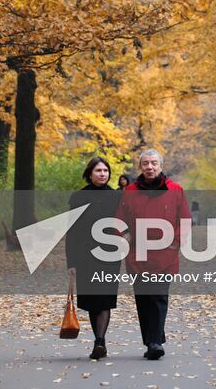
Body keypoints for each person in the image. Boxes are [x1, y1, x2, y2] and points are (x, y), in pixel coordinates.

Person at [117, 149, 191, 361]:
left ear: (160, 166)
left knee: (158, 296)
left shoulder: (175, 190)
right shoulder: (130, 191)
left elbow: (185, 220)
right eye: (146, 163)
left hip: (164, 255)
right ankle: (152, 340)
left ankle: (155, 342)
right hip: (137, 255)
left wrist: (176, 242)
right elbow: (119, 220)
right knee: (143, 298)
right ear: (141, 167)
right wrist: (124, 236)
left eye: (154, 163)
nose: (150, 167)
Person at [65, 156, 121, 360]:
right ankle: (99, 340)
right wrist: (71, 262)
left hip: (110, 255)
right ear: (90, 174)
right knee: (91, 300)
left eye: (105, 171)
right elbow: (71, 231)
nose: (102, 174)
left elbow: (124, 223)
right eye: (98, 170)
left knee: (105, 298)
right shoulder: (78, 197)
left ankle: (99, 340)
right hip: (85, 256)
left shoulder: (117, 196)